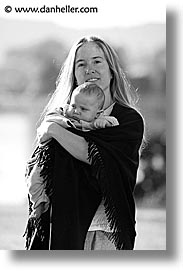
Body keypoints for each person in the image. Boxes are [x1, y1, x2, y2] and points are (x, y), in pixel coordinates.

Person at [24, 35, 144, 250]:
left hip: (106, 230)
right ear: (74, 73)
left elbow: (97, 157)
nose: (89, 69)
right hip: (60, 226)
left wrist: (53, 130)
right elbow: (40, 163)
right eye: (81, 64)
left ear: (111, 69)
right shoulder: (62, 115)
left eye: (97, 61)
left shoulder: (127, 120)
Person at [27, 82, 119, 221]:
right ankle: (39, 203)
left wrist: (101, 122)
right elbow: (49, 123)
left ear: (97, 113)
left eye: (83, 108)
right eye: (74, 105)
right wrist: (64, 122)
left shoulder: (97, 121)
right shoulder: (64, 114)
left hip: (73, 170)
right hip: (48, 159)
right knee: (34, 176)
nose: (76, 111)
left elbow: (113, 124)